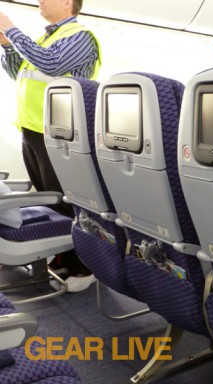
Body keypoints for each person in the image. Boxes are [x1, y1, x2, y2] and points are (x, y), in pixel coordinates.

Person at [0, 0, 102, 292]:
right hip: (33, 129)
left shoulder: (80, 36)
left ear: (68, 3)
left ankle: (85, 268)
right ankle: (62, 258)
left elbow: (51, 65)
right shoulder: (47, 37)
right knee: (49, 199)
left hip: (60, 132)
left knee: (64, 201)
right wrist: (8, 45)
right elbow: (20, 71)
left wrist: (10, 27)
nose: (41, 1)